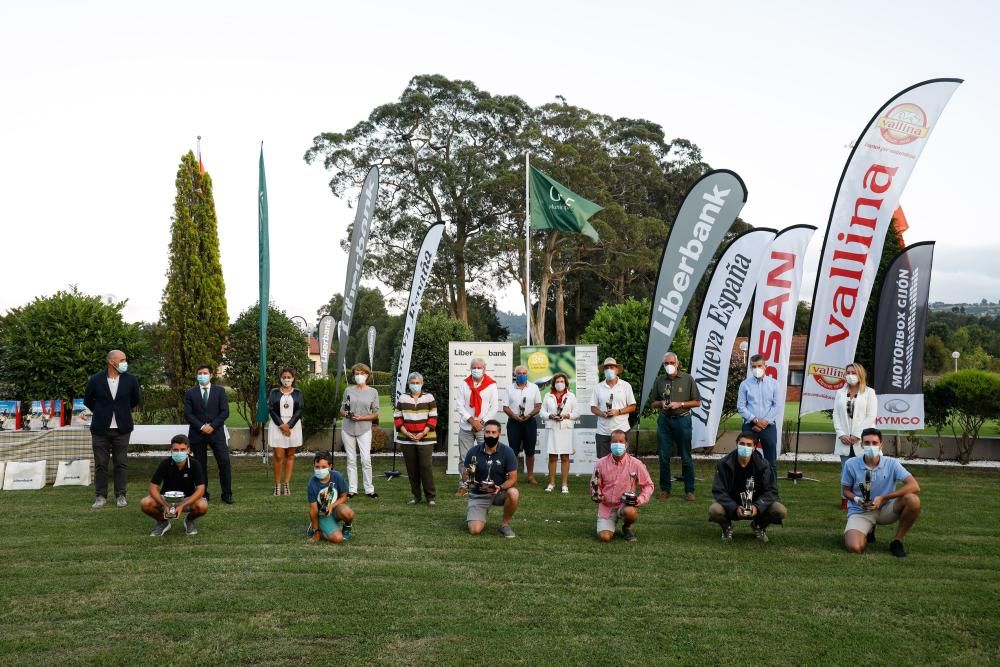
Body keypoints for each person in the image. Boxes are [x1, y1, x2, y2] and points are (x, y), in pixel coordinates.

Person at [842, 428, 921, 558]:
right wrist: (857, 499)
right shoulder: (851, 464)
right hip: (861, 510)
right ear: (861, 444)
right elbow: (846, 491)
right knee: (855, 547)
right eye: (867, 443)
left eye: (874, 443)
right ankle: (868, 530)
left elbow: (914, 486)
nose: (870, 446)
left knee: (913, 500)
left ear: (881, 445)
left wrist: (884, 498)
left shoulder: (892, 463)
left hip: (887, 509)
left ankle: (897, 541)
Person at [83, 349, 141, 509]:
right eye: (122, 360)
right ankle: (100, 496)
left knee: (120, 463)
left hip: (122, 428)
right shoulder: (95, 380)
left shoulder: (131, 380)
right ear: (111, 361)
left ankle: (121, 495)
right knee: (101, 463)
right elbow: (88, 400)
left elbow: (135, 399)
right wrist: (102, 411)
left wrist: (121, 410)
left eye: (125, 360)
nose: (124, 362)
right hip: (100, 428)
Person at [708, 431, 787, 543]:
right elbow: (718, 491)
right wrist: (734, 507)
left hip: (756, 505)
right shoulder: (723, 464)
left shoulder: (764, 465)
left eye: (749, 445)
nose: (745, 447)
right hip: (733, 505)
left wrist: (758, 507)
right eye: (742, 444)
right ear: (737, 444)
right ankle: (726, 528)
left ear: (755, 447)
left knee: (780, 510)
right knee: (714, 510)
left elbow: (772, 491)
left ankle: (759, 525)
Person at [651, 351, 702, 501]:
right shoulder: (659, 381)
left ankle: (689, 490)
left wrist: (680, 404)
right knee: (664, 457)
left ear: (677, 364)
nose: (669, 365)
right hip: (665, 421)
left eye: (671, 363)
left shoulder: (687, 379)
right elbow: (653, 403)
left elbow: (697, 402)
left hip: (683, 420)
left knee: (686, 457)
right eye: (666, 363)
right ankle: (665, 489)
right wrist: (661, 404)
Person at [140, 435, 208, 537]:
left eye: (182, 449)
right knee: (145, 503)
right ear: (171, 450)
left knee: (203, 505)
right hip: (166, 499)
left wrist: (182, 505)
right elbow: (153, 487)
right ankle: (163, 522)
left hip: (187, 500)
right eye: (176, 450)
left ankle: (189, 521)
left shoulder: (195, 464)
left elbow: (201, 489)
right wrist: (164, 504)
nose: (179, 453)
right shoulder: (165, 463)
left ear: (188, 450)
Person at [592, 429, 654, 542]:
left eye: (621, 442)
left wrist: (640, 499)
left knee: (630, 512)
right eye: (614, 442)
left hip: (625, 505)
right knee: (604, 537)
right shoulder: (600, 463)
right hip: (607, 506)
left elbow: (648, 485)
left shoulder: (636, 464)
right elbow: (595, 485)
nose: (618, 444)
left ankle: (627, 527)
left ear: (626, 444)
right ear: (610, 444)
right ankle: (609, 525)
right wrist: (598, 495)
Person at [183, 364, 233, 504]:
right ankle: (202, 493)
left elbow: (225, 412)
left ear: (211, 375)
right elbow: (188, 414)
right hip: (197, 434)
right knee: (199, 466)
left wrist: (212, 426)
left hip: (216, 433)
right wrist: (201, 426)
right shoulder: (190, 393)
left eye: (205, 373)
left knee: (224, 463)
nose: (202, 375)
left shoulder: (220, 391)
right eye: (200, 373)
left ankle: (227, 494)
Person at [463, 420, 519, 538]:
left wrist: (500, 487)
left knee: (513, 493)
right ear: (483, 433)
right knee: (475, 530)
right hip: (479, 493)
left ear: (499, 434)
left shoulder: (507, 451)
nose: (490, 435)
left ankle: (504, 524)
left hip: (499, 492)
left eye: (494, 432)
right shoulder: (473, 451)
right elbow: (465, 476)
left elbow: (513, 479)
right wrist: (468, 476)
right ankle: (478, 514)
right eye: (487, 432)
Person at [833, 361, 877, 510]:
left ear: (860, 374)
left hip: (865, 440)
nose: (850, 376)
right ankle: (845, 500)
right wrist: (841, 434)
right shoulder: (839, 393)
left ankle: (868, 498)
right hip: (844, 440)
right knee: (846, 470)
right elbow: (836, 415)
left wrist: (858, 435)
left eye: (853, 373)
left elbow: (871, 416)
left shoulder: (869, 393)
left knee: (868, 469)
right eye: (848, 373)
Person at [394, 371, 438, 506]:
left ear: (422, 384)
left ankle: (430, 497)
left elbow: (433, 417)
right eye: (412, 383)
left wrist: (423, 433)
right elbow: (397, 417)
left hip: (426, 438)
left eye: (417, 383)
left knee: (425, 467)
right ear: (408, 384)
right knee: (411, 469)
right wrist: (406, 433)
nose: (415, 385)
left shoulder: (429, 398)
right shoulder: (402, 398)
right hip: (407, 439)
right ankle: (416, 496)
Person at [455, 357, 499, 494]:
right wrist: (471, 420)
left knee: (486, 456)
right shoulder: (464, 384)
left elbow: (494, 407)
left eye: (479, 367)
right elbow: (459, 405)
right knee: (464, 458)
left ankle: (484, 484)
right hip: (466, 427)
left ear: (484, 369)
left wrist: (481, 422)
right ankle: (464, 485)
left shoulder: (491, 385)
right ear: (470, 368)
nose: (476, 369)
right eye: (474, 367)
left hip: (483, 428)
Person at [736, 354, 780, 481]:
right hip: (750, 426)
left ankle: (771, 492)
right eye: (753, 366)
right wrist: (755, 420)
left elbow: (776, 406)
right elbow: (741, 406)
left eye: (759, 366)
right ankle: (745, 489)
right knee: (746, 459)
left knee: (770, 461)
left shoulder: (774, 384)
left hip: (769, 426)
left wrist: (764, 422)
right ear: (750, 368)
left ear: (765, 367)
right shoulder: (744, 385)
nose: (757, 369)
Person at [341, 362, 379, 499]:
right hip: (347, 428)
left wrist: (362, 418)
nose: (359, 376)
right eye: (356, 373)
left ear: (367, 375)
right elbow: (342, 410)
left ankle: (369, 489)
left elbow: (375, 413)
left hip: (364, 428)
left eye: (362, 373)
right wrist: (347, 414)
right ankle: (352, 489)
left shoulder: (373, 392)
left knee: (366, 459)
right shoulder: (348, 390)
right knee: (351, 459)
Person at [589, 357, 636, 459]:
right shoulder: (598, 387)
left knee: (623, 462)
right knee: (603, 463)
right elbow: (593, 407)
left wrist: (618, 412)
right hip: (603, 432)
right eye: (606, 368)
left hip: (622, 431)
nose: (609, 370)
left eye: (612, 367)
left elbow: (632, 407)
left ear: (617, 370)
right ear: (604, 371)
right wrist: (602, 414)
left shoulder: (625, 386)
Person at [503, 365, 542, 485]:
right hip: (514, 422)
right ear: (515, 375)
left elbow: (538, 406)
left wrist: (529, 415)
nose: (522, 375)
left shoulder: (534, 387)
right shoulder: (509, 388)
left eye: (524, 373)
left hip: (529, 422)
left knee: (530, 451)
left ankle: (530, 476)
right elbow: (505, 407)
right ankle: (513, 477)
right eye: (519, 373)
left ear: (527, 374)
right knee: (513, 451)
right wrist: (514, 416)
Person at [267, 368, 304, 496]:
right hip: (278, 426)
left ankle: (286, 484)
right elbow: (271, 409)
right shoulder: (274, 392)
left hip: (293, 426)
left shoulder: (298, 392)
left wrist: (289, 425)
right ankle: (277, 485)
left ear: (293, 379)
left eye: (289, 377)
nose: (286, 379)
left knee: (290, 455)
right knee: (278, 456)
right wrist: (282, 425)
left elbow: (300, 410)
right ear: (280, 378)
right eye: (284, 377)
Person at [541, 372, 578, 493]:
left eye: (562, 381)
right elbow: (542, 413)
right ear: (553, 383)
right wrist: (550, 416)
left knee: (565, 457)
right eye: (557, 381)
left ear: (566, 383)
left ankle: (564, 484)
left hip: (565, 429)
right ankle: (551, 483)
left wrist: (567, 415)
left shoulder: (571, 396)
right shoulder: (547, 395)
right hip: (552, 428)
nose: (559, 384)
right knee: (552, 457)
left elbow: (577, 413)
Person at [307, 451, 355, 544]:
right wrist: (315, 531)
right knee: (338, 539)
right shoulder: (311, 483)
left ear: (330, 466)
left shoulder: (338, 476)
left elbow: (344, 497)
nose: (320, 470)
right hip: (322, 515)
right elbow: (313, 510)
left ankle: (346, 528)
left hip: (334, 508)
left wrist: (332, 506)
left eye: (323, 467)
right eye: (317, 467)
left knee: (349, 513)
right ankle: (319, 530)